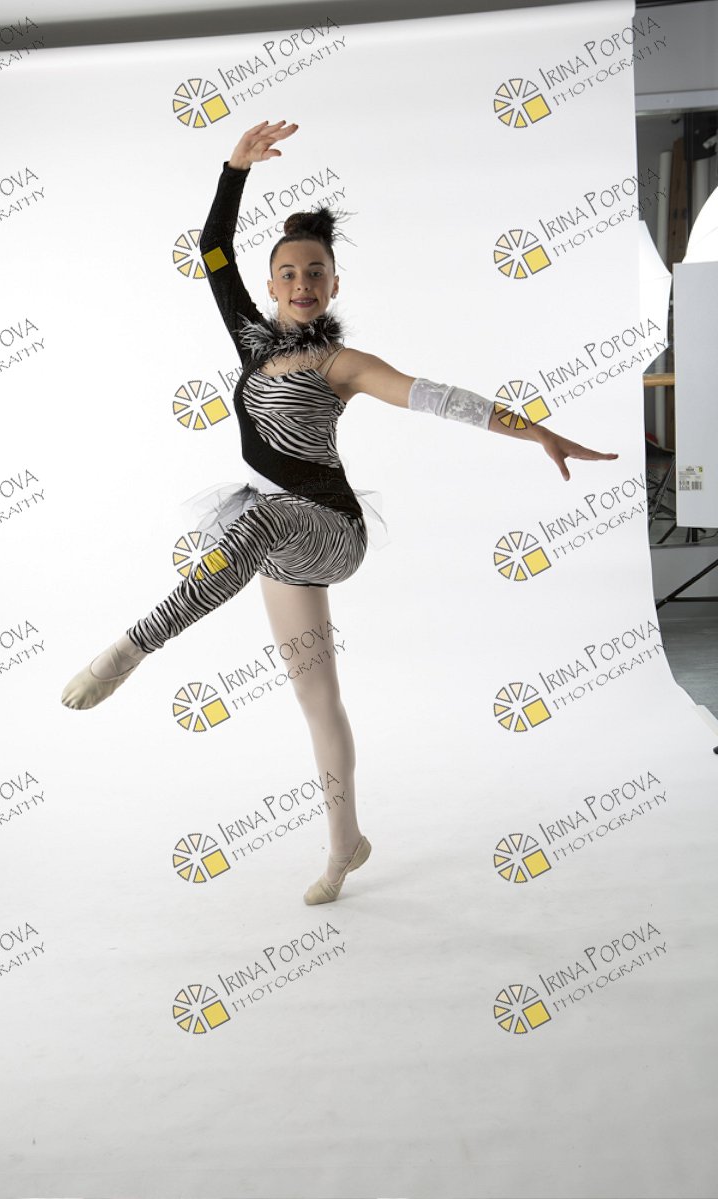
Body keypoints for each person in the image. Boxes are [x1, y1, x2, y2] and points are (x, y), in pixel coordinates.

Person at [61, 120, 618, 904]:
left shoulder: (342, 364)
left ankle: (130, 648)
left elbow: (440, 398)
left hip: (330, 529)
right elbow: (212, 249)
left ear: (333, 285)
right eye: (288, 272)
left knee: (259, 524)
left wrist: (538, 432)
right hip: (277, 536)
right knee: (317, 699)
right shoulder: (253, 343)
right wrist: (234, 167)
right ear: (272, 285)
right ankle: (344, 845)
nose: (301, 282)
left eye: (315, 272)